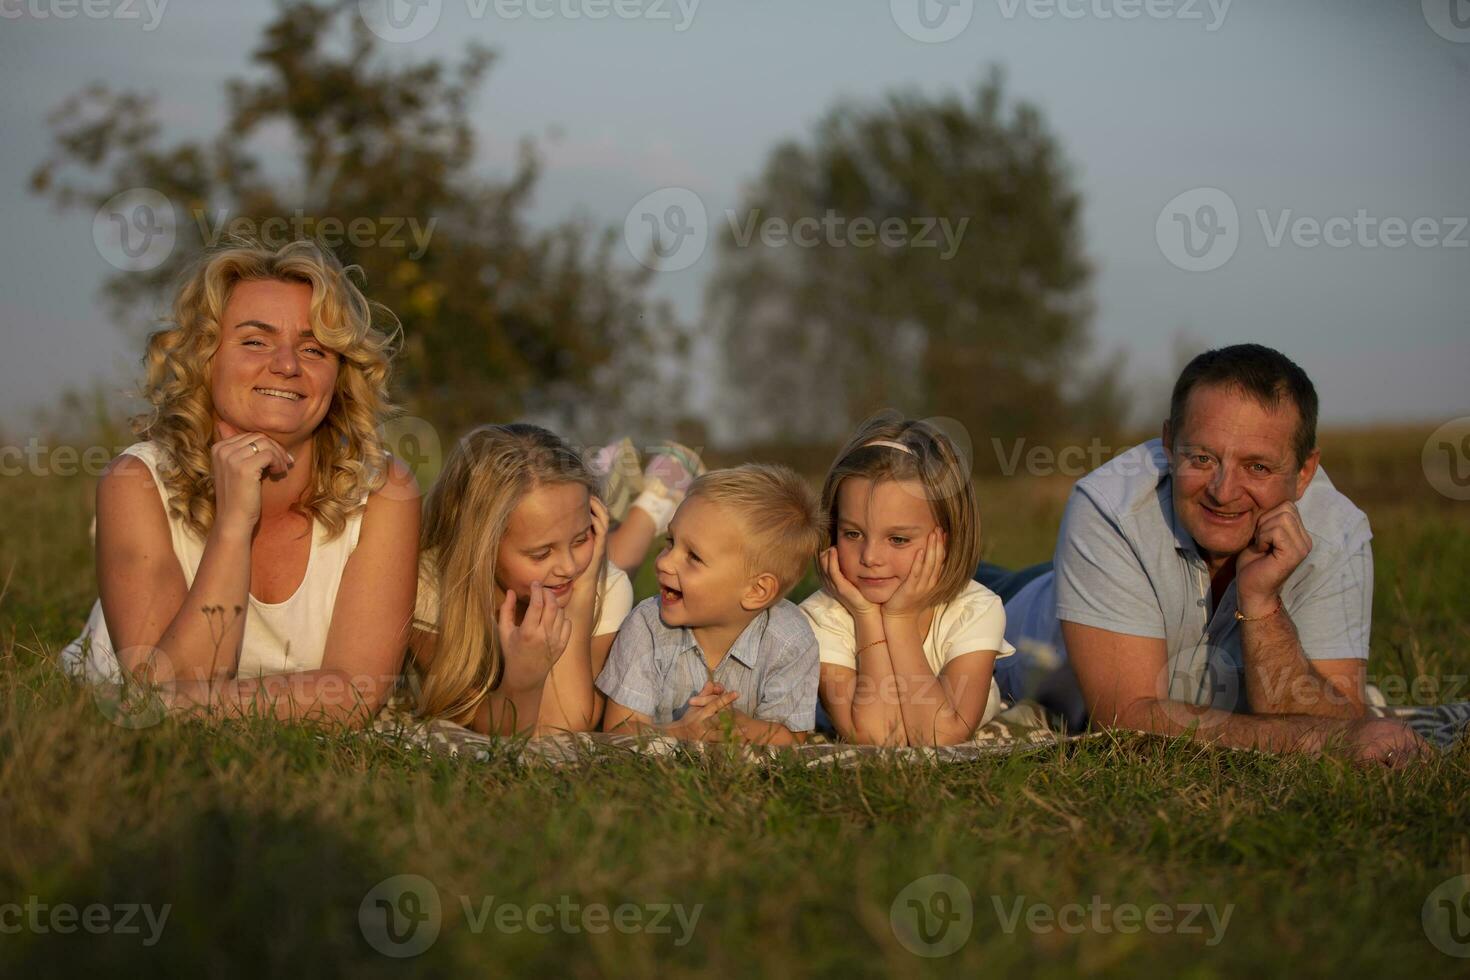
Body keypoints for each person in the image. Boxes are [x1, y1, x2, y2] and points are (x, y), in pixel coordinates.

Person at [993, 344, 1430, 765]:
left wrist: (1261, 604)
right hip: (1008, 606)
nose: (1223, 492)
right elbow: (1124, 720)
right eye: (1202, 458)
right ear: (1168, 442)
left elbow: (1342, 719)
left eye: (1257, 467)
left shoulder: (1338, 532)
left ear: (1304, 472)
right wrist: (1322, 738)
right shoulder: (1109, 506)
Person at [60, 238, 420, 726]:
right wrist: (233, 522)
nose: (287, 365)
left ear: (339, 375)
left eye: (314, 349)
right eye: (255, 340)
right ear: (206, 358)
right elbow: (168, 680)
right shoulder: (137, 481)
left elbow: (355, 694)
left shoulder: (384, 490)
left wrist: (181, 704)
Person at [802, 412, 1014, 746]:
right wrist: (867, 616)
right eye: (852, 533)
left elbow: (939, 734)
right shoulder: (821, 616)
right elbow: (874, 734)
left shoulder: (976, 609)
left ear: (947, 539)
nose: (870, 557)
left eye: (898, 539)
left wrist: (898, 619)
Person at [408, 423, 633, 735]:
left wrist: (578, 604)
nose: (568, 566)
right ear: (481, 547)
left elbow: (562, 728)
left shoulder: (604, 588)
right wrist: (522, 682)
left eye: (581, 539)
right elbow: (471, 721)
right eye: (541, 554)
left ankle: (654, 505)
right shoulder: (428, 586)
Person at [597, 464, 824, 745]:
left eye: (693, 556)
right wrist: (679, 733)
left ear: (756, 590)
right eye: (670, 541)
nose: (664, 562)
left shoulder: (791, 640)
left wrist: (741, 728)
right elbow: (619, 729)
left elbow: (793, 740)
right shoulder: (646, 625)